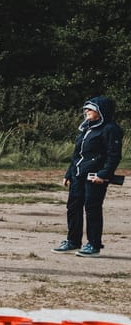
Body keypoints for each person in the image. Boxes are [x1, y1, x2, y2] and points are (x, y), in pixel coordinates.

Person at [59, 97, 122, 257]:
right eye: (86, 108)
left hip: (95, 177)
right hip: (77, 175)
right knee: (73, 207)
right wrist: (68, 173)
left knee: (92, 209)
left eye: (90, 109)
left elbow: (113, 155)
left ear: (101, 111)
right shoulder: (86, 129)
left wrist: (104, 174)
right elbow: (77, 155)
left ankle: (93, 245)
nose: (86, 111)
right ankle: (73, 241)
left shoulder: (110, 129)